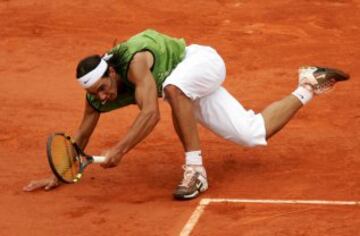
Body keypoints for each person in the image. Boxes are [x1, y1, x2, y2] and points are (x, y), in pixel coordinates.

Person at [23, 29, 349, 200]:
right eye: (96, 95)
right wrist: (61, 171)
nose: (104, 97)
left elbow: (151, 114)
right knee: (252, 134)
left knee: (173, 88)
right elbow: (78, 137)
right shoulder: (98, 96)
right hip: (187, 88)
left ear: (111, 72)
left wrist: (118, 151)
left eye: (104, 88)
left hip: (200, 62)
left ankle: (195, 172)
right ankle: (309, 83)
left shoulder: (135, 64)